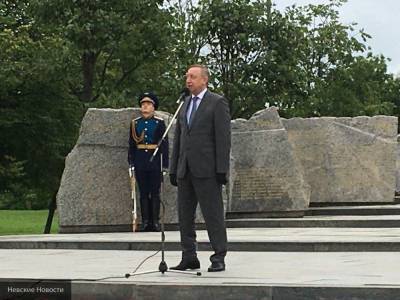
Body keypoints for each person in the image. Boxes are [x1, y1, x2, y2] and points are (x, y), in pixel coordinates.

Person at [169, 64, 231, 272]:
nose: (188, 80)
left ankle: (218, 256)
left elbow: (223, 139)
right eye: (187, 76)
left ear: (204, 80)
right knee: (185, 216)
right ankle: (189, 256)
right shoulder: (184, 104)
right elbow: (179, 138)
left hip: (208, 170)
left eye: (193, 77)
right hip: (185, 169)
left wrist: (222, 169)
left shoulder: (217, 103)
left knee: (213, 215)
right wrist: (173, 167)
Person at [128, 92, 169, 232]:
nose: (145, 106)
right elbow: (132, 145)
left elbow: (164, 145)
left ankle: (155, 222)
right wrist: (131, 163)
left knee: (155, 192)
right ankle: (146, 222)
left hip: (155, 160)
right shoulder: (135, 123)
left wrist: (165, 165)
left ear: (154, 107)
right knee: (143, 192)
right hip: (140, 160)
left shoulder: (159, 123)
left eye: (148, 104)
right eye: (143, 104)